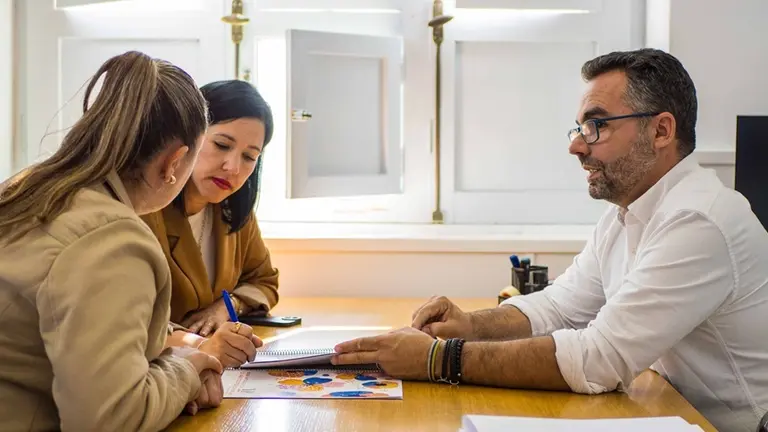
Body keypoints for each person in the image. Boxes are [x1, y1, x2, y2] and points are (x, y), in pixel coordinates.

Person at [331, 48, 768, 432]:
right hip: (672, 410)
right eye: (578, 128)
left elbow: (600, 359)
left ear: (661, 131)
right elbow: (559, 307)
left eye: (597, 126)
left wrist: (438, 359)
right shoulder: (629, 213)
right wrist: (470, 325)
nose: (577, 146)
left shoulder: (699, 219)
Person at [0, 51, 255, 431]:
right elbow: (109, 419)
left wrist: (180, 345)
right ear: (174, 163)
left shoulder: (27, 190)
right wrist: (185, 371)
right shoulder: (113, 240)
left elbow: (85, 318)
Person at [141, 80, 279, 348]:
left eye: (250, 157)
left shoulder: (234, 209)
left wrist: (227, 307)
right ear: (188, 136)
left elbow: (264, 281)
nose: (233, 167)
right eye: (222, 145)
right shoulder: (145, 208)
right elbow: (130, 318)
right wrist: (197, 344)